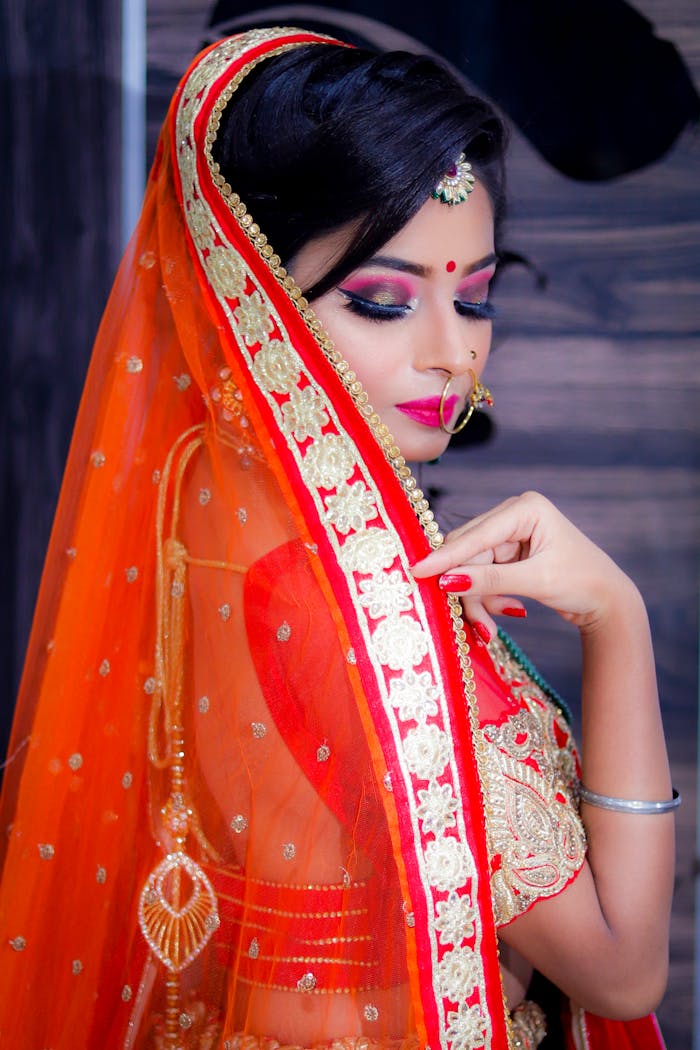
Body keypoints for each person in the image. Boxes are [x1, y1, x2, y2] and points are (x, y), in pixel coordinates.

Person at [0, 26, 677, 1050]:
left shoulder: (201, 502)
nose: (452, 354)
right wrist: (617, 619)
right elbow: (621, 969)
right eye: (380, 300)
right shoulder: (340, 603)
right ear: (253, 300)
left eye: (476, 295)